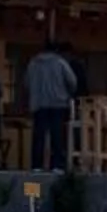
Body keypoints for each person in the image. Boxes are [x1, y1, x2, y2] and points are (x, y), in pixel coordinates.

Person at [23, 38, 79, 174]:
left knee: (39, 135)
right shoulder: (60, 63)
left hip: (39, 104)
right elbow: (72, 81)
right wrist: (67, 93)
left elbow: (26, 83)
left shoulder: (33, 63)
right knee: (57, 135)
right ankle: (57, 165)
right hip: (58, 103)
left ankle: (37, 165)